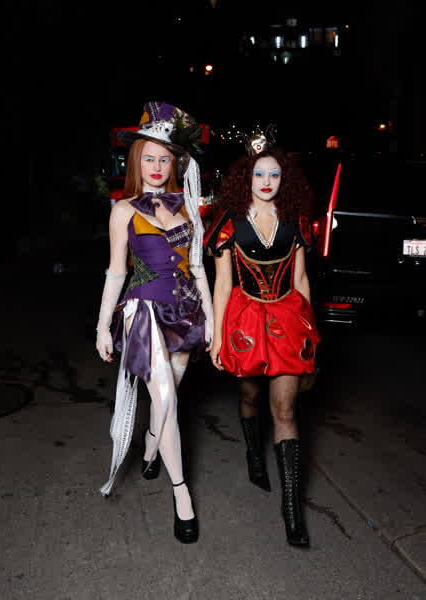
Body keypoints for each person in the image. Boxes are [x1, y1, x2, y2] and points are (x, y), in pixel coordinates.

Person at [96, 101, 213, 544]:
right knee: (165, 399)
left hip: (184, 313)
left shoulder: (186, 210)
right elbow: (116, 272)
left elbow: (198, 268)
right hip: (143, 312)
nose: (157, 167)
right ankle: (182, 494)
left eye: (165, 159)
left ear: (175, 163)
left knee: (166, 404)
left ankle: (150, 441)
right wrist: (102, 326)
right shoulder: (124, 210)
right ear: (136, 161)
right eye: (149, 158)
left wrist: (213, 320)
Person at [204, 129, 319, 547]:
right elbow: (222, 284)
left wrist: (310, 333)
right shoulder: (228, 224)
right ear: (245, 177)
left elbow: (301, 279)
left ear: (284, 179)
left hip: (287, 319)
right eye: (259, 174)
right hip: (246, 318)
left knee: (285, 411)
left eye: (274, 174)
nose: (267, 181)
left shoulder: (296, 221)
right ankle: (254, 455)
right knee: (250, 396)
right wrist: (217, 338)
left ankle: (292, 512)